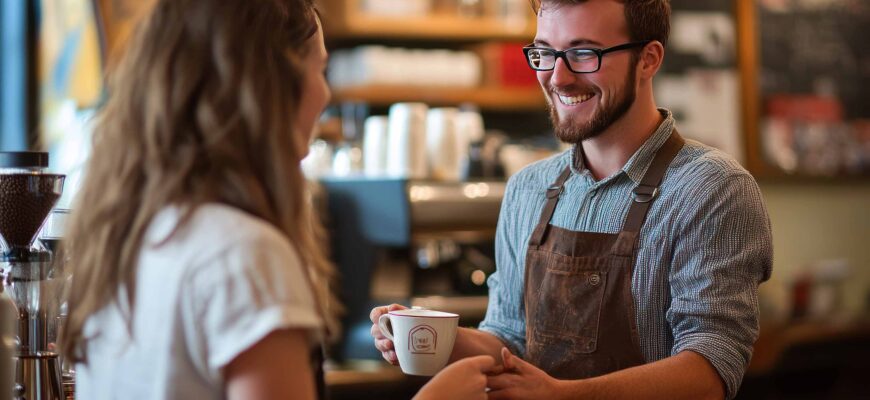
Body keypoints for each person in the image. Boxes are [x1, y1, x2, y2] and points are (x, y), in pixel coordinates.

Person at [59, 0, 494, 399]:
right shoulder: (244, 254)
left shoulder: (125, 234)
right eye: (318, 70)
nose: (325, 95)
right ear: (268, 85)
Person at [371, 0, 773, 399]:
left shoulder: (711, 189)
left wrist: (563, 395)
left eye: (584, 53)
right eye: (545, 53)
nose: (557, 78)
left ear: (648, 59)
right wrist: (430, 335)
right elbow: (510, 340)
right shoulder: (528, 188)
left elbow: (710, 370)